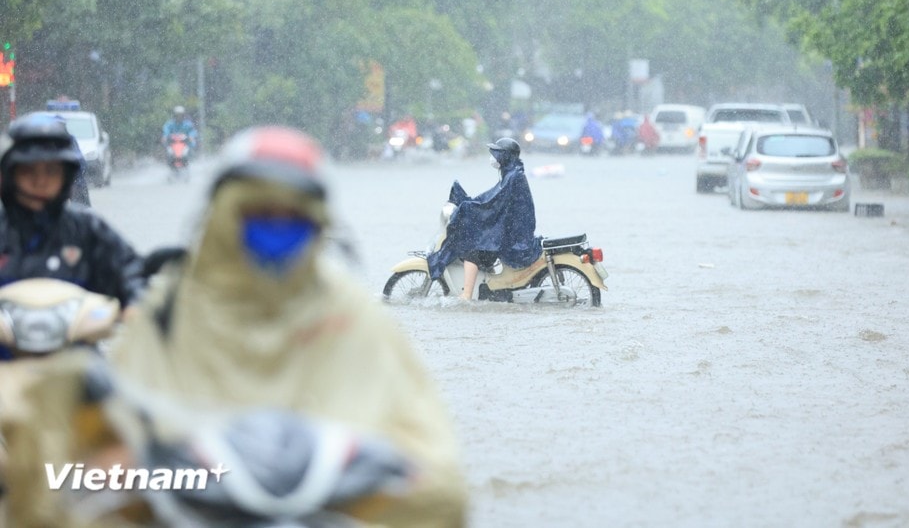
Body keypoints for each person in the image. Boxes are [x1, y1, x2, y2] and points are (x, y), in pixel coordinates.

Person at [1, 125, 467, 527]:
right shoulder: (172, 310)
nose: (276, 226)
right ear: (224, 214)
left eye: (292, 216)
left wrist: (376, 476)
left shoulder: (348, 311)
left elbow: (432, 465)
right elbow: (114, 443)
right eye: (259, 213)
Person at [0, 115, 144, 327]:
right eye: (29, 171)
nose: (40, 181)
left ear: (66, 176)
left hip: (76, 355)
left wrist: (137, 304)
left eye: (51, 171)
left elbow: (131, 272)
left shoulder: (87, 228)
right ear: (11, 175)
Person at [427, 137, 542, 300]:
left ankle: (466, 294)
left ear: (505, 156)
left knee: (471, 252)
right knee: (478, 240)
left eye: (496, 153)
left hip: (514, 237)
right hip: (511, 230)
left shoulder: (513, 177)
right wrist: (471, 201)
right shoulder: (511, 173)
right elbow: (491, 197)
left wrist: (468, 207)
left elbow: (493, 202)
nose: (493, 158)